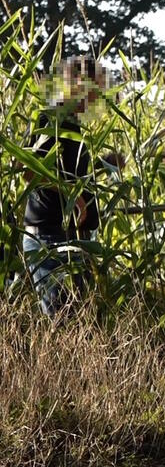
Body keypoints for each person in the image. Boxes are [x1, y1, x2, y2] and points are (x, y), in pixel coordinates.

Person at [22, 55, 107, 316]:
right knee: (62, 318)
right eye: (96, 88)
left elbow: (68, 172)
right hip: (49, 239)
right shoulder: (52, 119)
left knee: (83, 317)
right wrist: (73, 196)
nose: (98, 97)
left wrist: (105, 163)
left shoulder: (74, 124)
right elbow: (29, 170)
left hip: (72, 238)